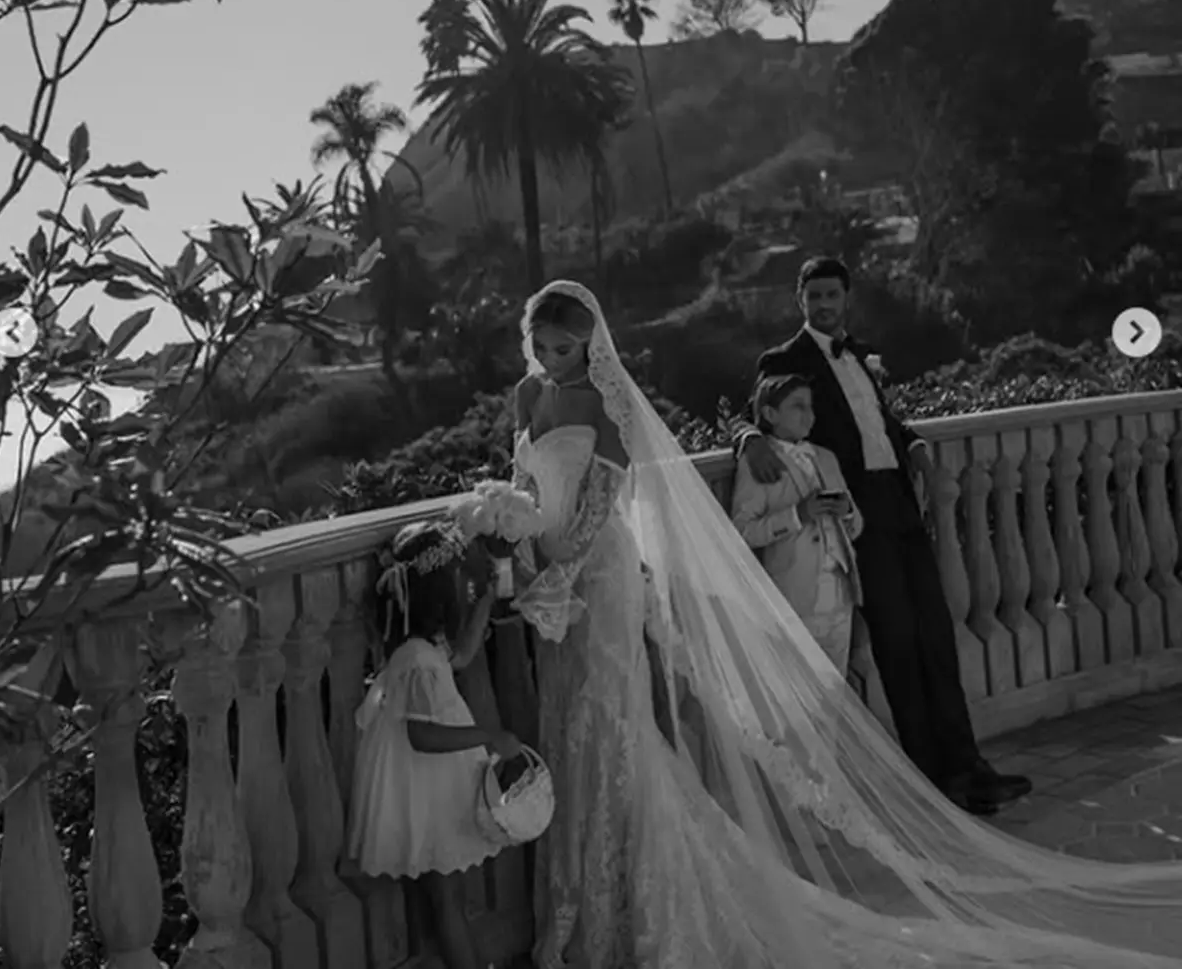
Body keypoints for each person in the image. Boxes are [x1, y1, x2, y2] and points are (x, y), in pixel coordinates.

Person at [504, 277, 1182, 969]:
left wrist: (553, 567)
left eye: (568, 347)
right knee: (570, 724)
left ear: (592, 345)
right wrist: (524, 549)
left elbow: (599, 506)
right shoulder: (529, 397)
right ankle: (582, 899)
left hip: (610, 573)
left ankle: (648, 896)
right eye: (544, 345)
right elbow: (529, 484)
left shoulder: (607, 403)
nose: (554, 358)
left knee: (617, 724)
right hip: (553, 579)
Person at [732, 255, 1029, 816]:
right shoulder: (784, 359)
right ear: (800, 300)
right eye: (813, 296)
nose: (823, 304)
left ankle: (969, 767)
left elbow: (879, 421)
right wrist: (749, 437)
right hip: (853, 513)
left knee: (936, 635)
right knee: (897, 644)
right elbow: (751, 412)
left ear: (846, 298)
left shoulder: (860, 357)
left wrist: (913, 443)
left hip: (899, 503)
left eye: (832, 295)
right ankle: (931, 781)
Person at [345, 519, 523, 969]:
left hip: (422, 787)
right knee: (448, 903)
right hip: (426, 787)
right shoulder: (418, 660)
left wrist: (485, 596)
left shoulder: (413, 645)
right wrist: (489, 736)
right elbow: (421, 733)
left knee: (441, 900)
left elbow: (462, 655)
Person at [731, 373, 863, 677]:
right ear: (770, 414)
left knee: (836, 690)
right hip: (795, 593)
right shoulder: (758, 462)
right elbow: (742, 531)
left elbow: (857, 527)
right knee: (802, 689)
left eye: (811, 406)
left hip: (841, 592)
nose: (809, 414)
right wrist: (797, 516)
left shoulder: (826, 457)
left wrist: (847, 512)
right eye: (798, 406)